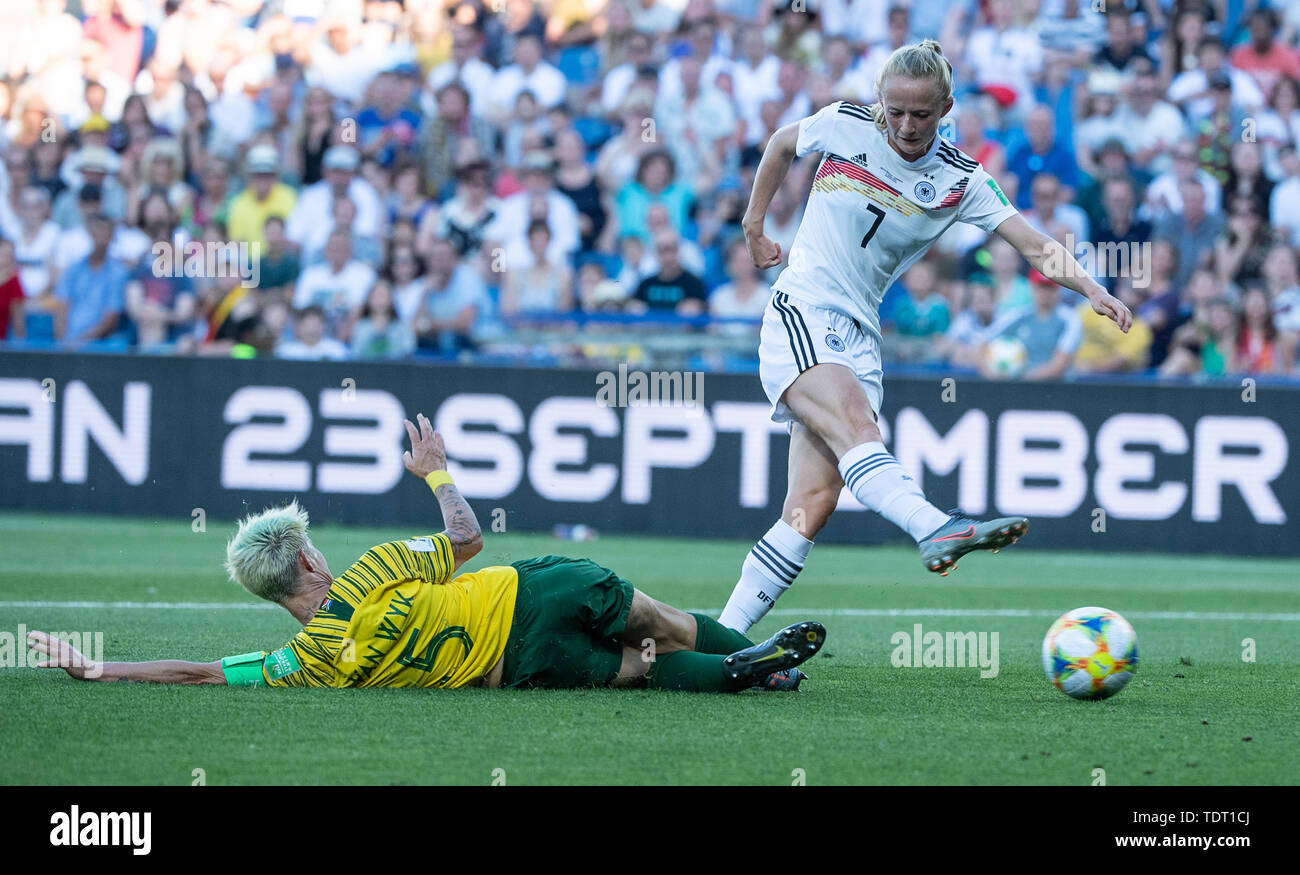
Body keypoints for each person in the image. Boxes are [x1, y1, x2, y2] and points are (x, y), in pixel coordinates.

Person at [721, 40, 1131, 633]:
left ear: (946, 108)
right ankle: (935, 525)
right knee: (859, 431)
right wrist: (754, 224)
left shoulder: (960, 179)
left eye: (921, 114)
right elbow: (784, 141)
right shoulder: (844, 124)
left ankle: (721, 641)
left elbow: (1036, 245)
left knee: (811, 507)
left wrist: (1092, 288)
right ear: (880, 103)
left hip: (861, 335)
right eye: (895, 111)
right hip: (803, 308)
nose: (906, 126)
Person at [26, 414, 825, 692]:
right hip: (530, 593)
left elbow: (199, 672)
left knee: (640, 668)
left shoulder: (303, 664)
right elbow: (470, 539)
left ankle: (738, 673)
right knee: (665, 622)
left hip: (514, 666)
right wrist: (436, 469)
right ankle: (748, 655)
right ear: (305, 564)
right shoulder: (372, 568)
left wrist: (98, 668)